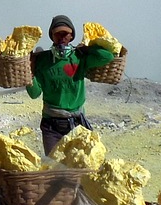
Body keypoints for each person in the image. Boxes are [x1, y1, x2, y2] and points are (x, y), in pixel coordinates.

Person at [27, 14, 118, 155]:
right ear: (52, 35)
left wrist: (87, 48)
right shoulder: (43, 60)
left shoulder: (79, 57)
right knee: (55, 169)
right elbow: (34, 93)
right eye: (58, 33)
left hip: (77, 123)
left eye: (66, 33)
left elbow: (107, 56)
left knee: (83, 166)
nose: (62, 37)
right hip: (52, 127)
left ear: (72, 36)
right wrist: (29, 71)